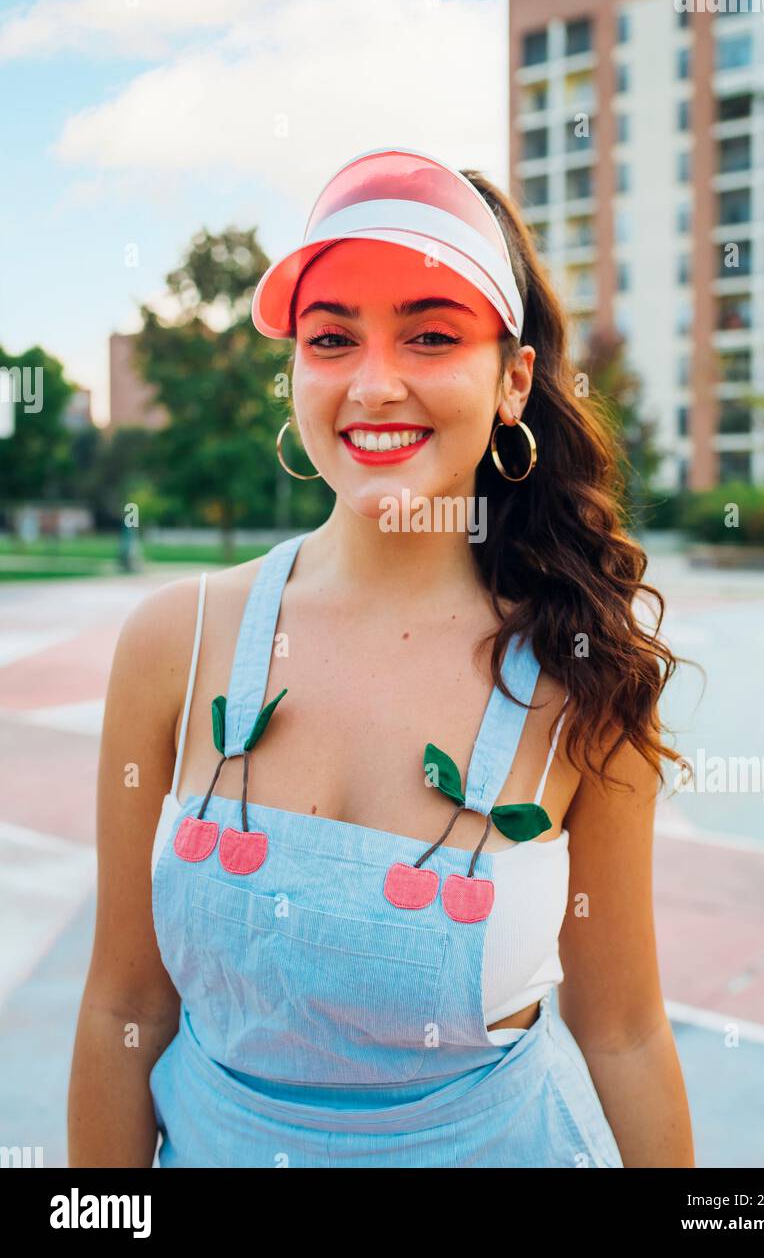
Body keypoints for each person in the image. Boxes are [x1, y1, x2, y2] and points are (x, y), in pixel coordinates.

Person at [68, 146, 694, 1168]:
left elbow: (622, 1029)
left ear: (512, 382)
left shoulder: (582, 672)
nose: (374, 383)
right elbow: (122, 1005)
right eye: (331, 338)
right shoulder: (171, 644)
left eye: (430, 335)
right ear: (295, 375)